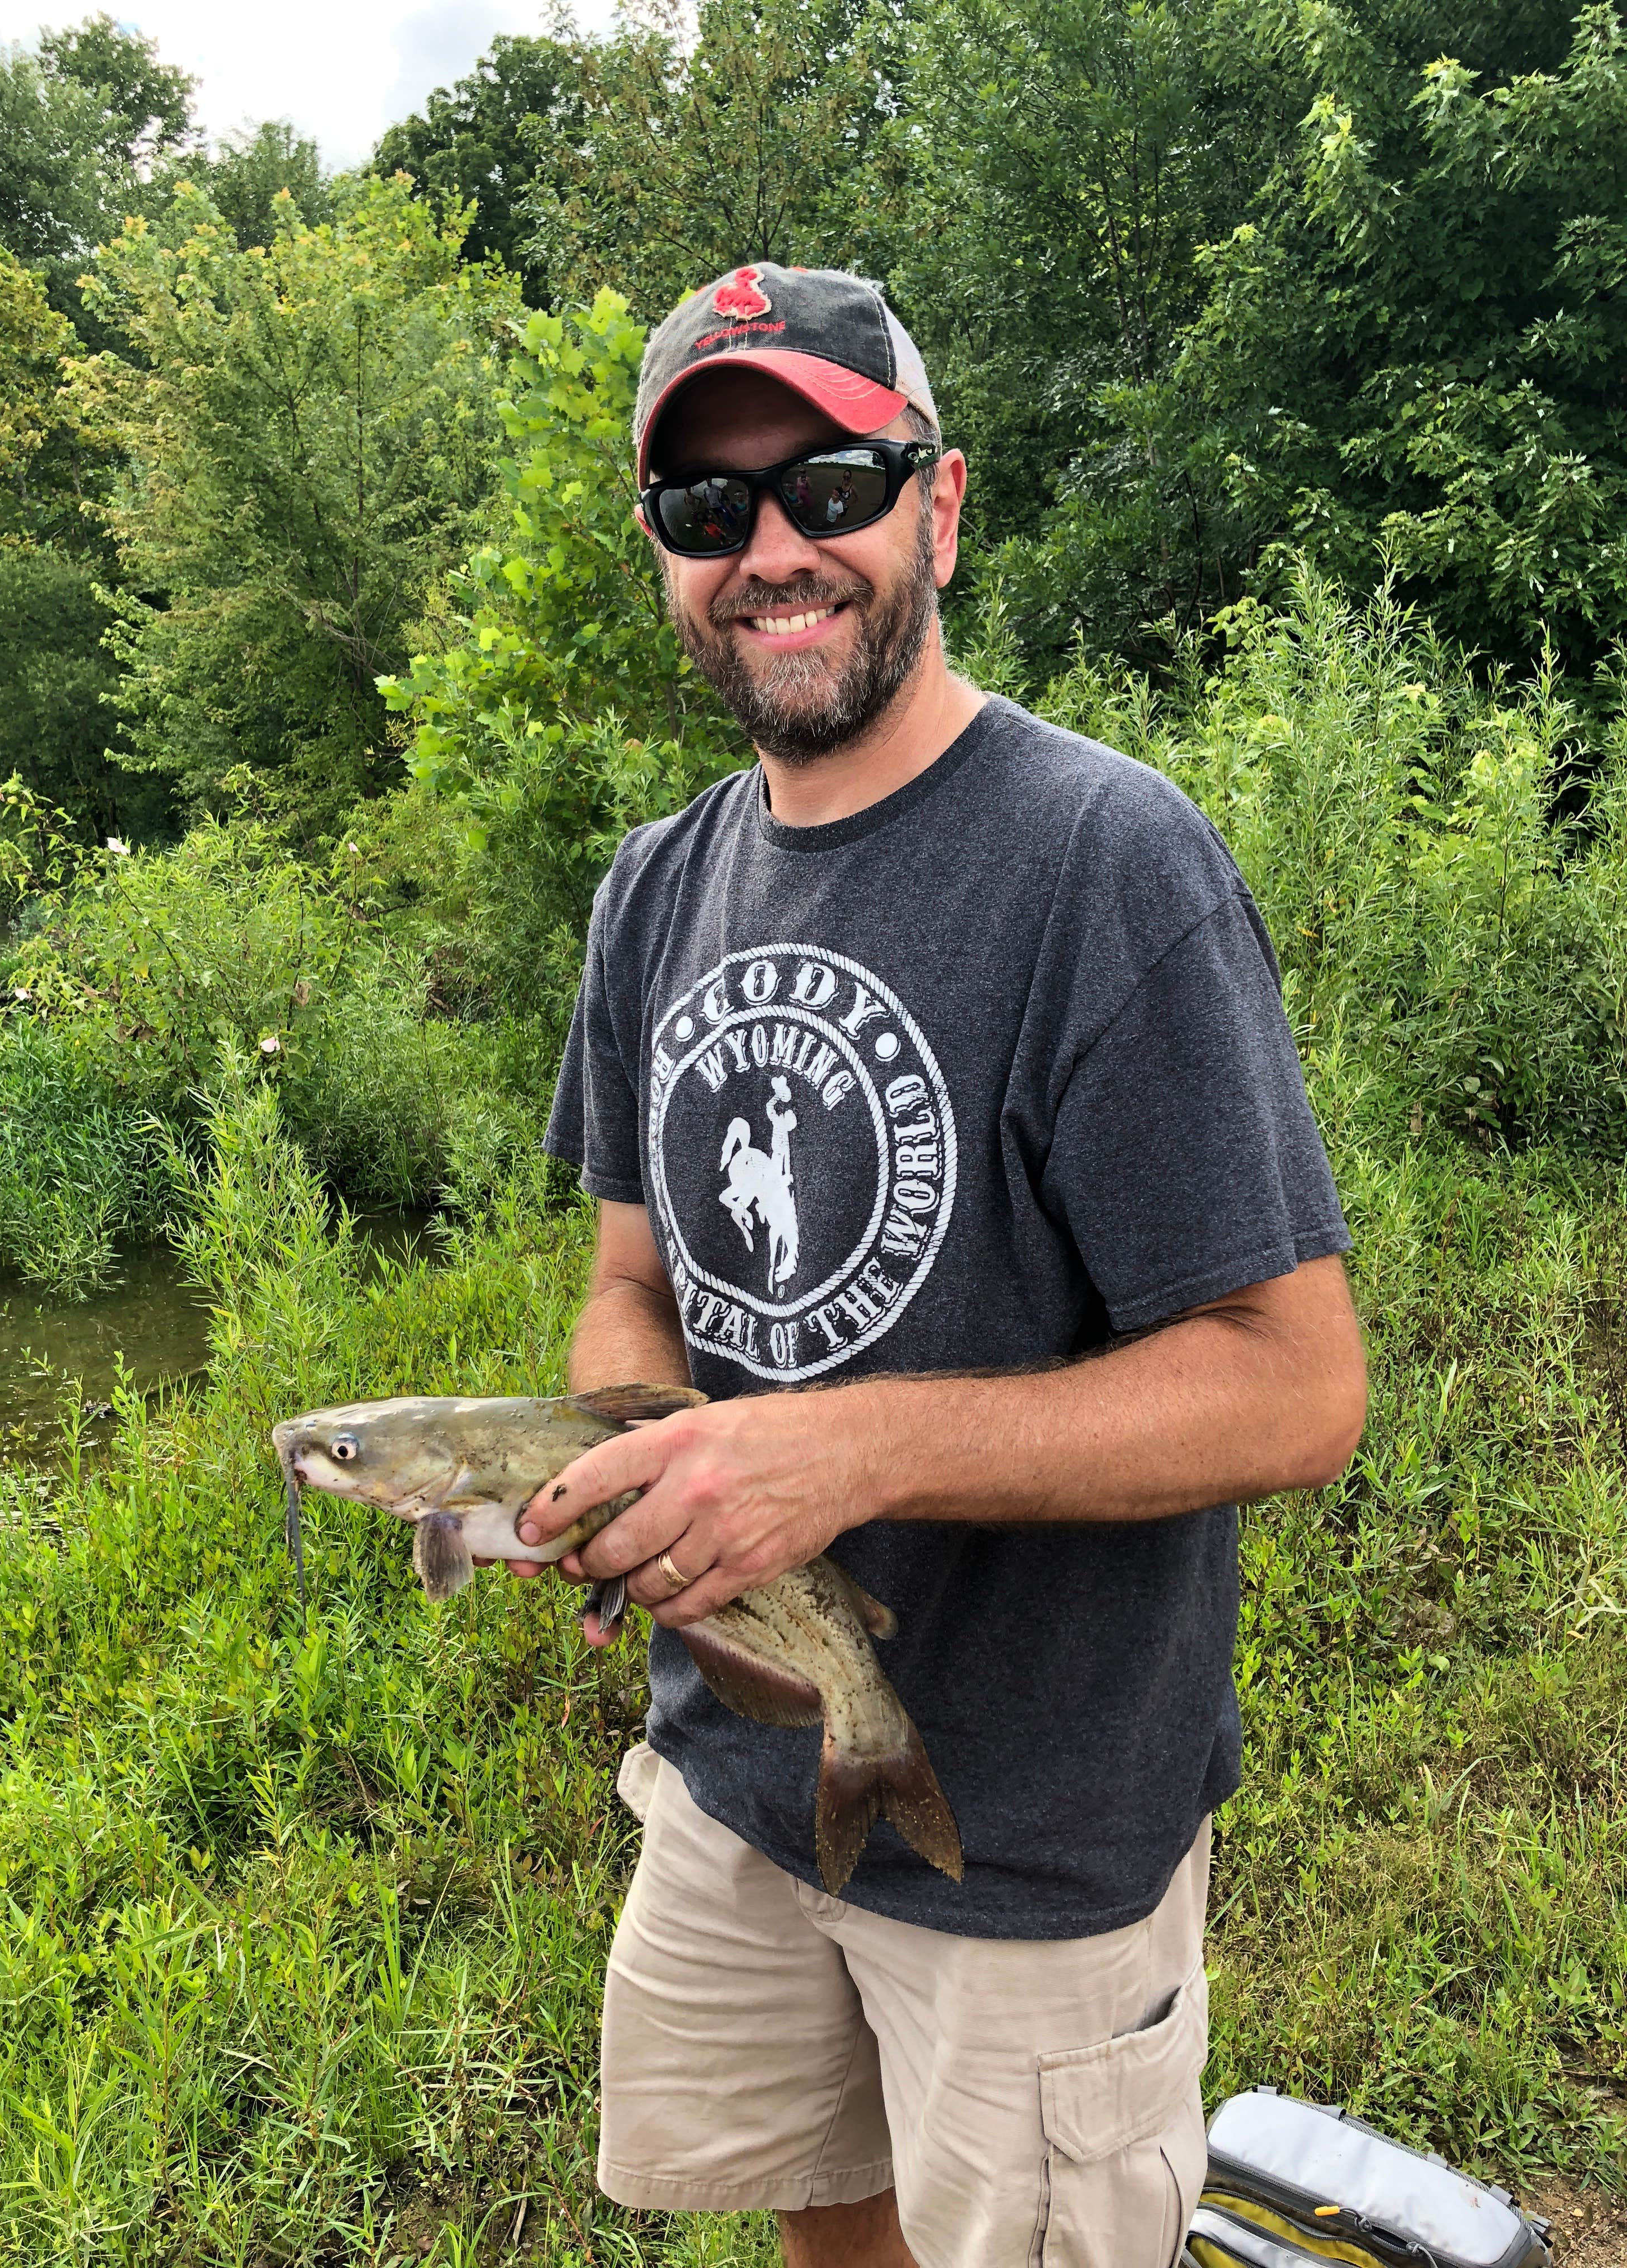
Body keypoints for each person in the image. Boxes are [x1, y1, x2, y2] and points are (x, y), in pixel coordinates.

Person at [512, 263, 1368, 2268]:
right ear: (663, 553)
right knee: (828, 2223)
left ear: (944, 505)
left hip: (1042, 1840)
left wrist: (841, 1454)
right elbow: (634, 1288)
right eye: (709, 510)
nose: (774, 550)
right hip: (736, 1767)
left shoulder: (1108, 861)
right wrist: (651, 1477)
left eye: (831, 481)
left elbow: (1294, 1382)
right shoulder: (656, 887)